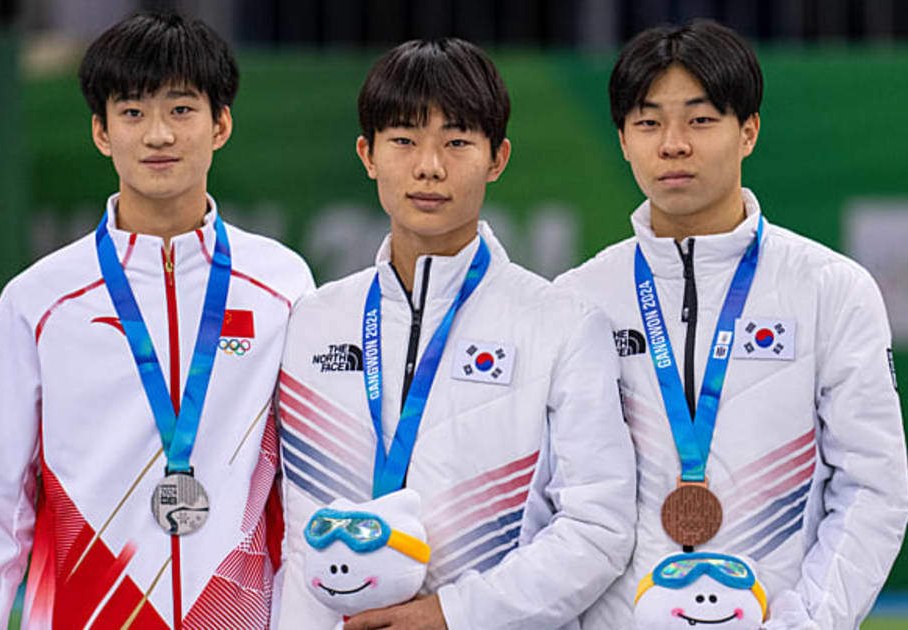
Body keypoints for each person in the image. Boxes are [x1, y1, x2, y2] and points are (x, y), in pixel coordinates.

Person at [0, 11, 313, 630]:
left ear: (221, 124)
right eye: (133, 112)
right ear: (101, 132)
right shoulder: (40, 301)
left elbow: (305, 489)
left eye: (181, 110)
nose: (158, 134)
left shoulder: (282, 285)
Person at [554, 19, 908, 630]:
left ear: (748, 131)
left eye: (699, 119)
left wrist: (807, 624)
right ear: (622, 139)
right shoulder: (576, 300)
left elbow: (873, 491)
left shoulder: (830, 289)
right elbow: (553, 505)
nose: (672, 143)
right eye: (648, 122)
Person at [273, 38, 637, 630]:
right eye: (404, 140)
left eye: (457, 141)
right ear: (367, 153)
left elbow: (600, 527)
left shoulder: (560, 324)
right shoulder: (311, 320)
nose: (429, 166)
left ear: (498, 158)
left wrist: (451, 614)